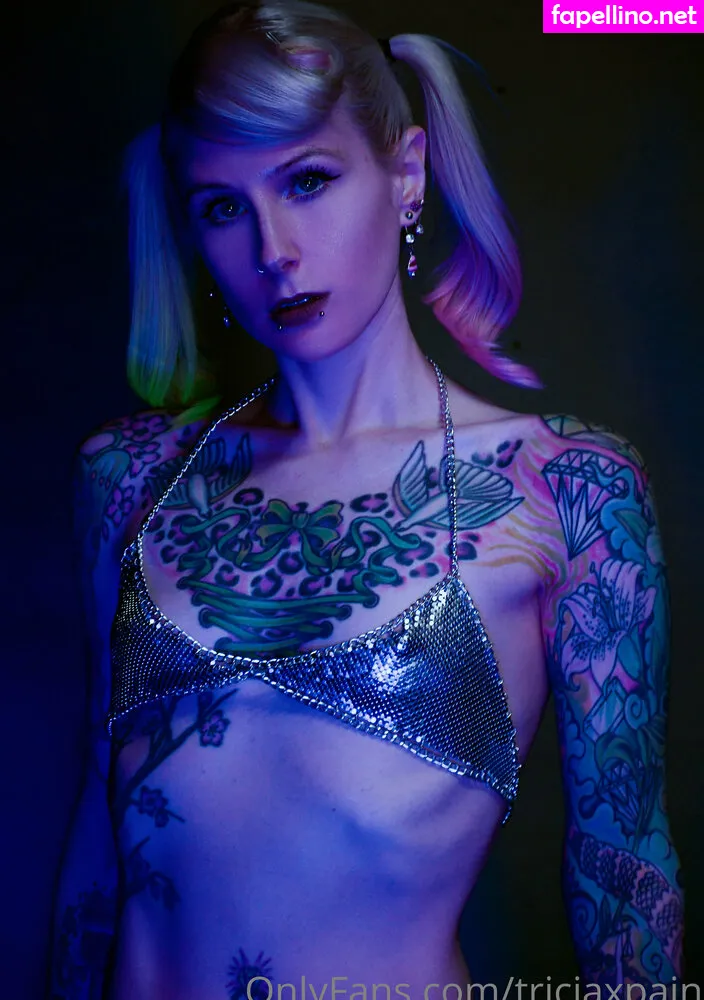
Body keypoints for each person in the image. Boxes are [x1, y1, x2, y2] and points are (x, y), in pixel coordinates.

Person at [50, 1, 684, 997]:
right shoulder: (129, 477)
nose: (273, 248)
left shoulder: (564, 489)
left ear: (406, 172)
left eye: (307, 180)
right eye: (221, 207)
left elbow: (621, 867)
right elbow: (99, 829)